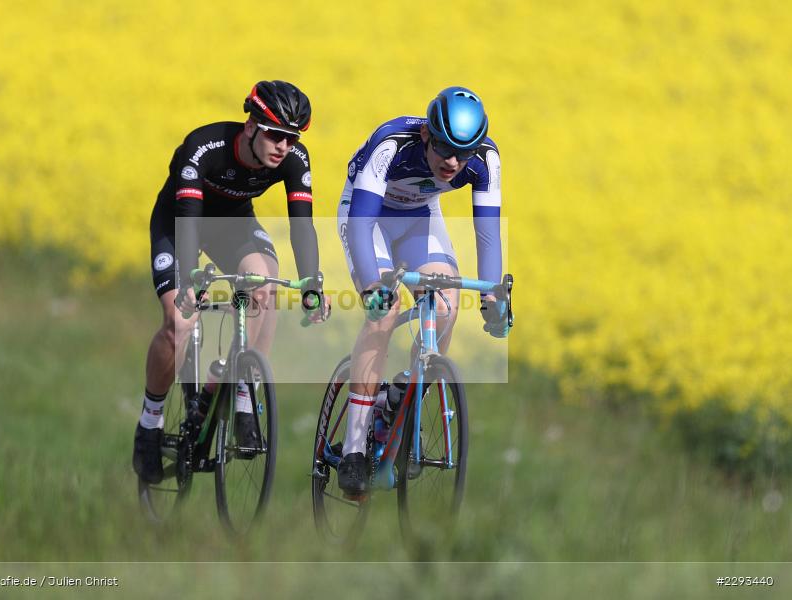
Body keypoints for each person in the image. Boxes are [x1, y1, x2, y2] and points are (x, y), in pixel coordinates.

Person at [134, 80, 329, 484]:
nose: (283, 147)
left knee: (264, 284)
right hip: (180, 222)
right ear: (252, 125)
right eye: (275, 135)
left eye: (291, 139)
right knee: (178, 323)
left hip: (232, 225)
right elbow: (188, 219)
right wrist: (188, 282)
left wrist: (312, 284)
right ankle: (149, 420)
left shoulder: (294, 159)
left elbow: (302, 226)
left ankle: (242, 390)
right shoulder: (204, 147)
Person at [336, 86, 511, 495]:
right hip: (368, 218)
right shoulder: (392, 143)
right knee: (385, 310)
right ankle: (354, 447)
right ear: (428, 136)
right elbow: (361, 225)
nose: (453, 162)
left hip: (419, 219)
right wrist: (373, 288)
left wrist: (492, 298)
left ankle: (402, 396)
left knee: (447, 304)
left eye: (463, 154)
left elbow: (487, 235)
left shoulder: (485, 158)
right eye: (445, 150)